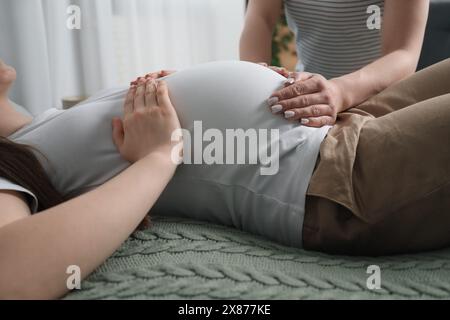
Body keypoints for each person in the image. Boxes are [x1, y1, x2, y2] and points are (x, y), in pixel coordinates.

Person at [0, 57, 449, 299]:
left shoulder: (38, 127)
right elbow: (13, 275)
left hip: (339, 125)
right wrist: (159, 156)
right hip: (334, 178)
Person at [240, 0, 430, 127]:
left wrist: (338, 92)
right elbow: (260, 19)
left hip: (382, 104)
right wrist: (258, 78)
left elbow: (403, 53)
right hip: (310, 96)